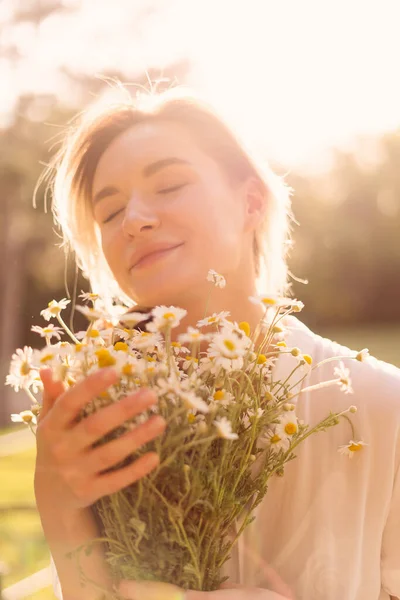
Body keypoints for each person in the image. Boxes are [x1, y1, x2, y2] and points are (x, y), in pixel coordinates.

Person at [34, 85, 400, 600]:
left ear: (250, 202)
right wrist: (58, 505)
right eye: (110, 213)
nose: (135, 220)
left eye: (169, 185)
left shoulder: (384, 406)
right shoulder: (100, 421)